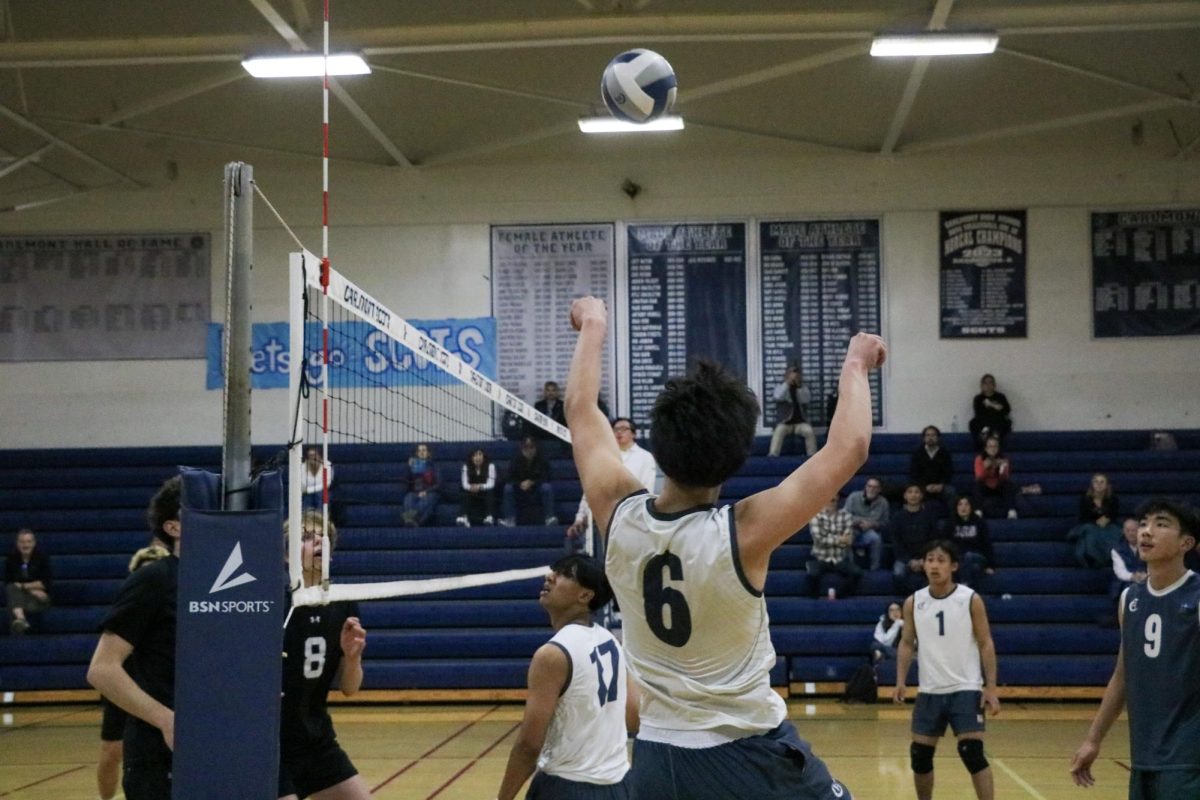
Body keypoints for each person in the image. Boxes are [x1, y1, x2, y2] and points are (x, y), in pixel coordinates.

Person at [564, 294, 883, 800]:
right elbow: (850, 447)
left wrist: (594, 324)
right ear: (735, 459)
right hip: (748, 754)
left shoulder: (616, 513)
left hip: (653, 759)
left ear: (658, 443)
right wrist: (856, 362)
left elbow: (580, 409)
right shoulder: (743, 531)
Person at [1070, 500, 1200, 798]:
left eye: (1161, 524)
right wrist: (1093, 739)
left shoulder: (1196, 597)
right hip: (1143, 755)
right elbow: (1122, 675)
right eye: (1143, 523)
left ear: (1186, 543)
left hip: (1187, 759)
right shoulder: (1130, 599)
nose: (1146, 531)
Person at [496, 555, 636, 800]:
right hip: (619, 785)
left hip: (569, 787)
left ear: (585, 596)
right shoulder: (611, 641)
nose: (550, 576)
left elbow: (529, 745)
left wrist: (503, 797)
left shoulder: (552, 655)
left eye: (564, 575)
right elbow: (633, 715)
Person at [87, 476, 182, 800]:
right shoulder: (154, 580)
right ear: (174, 527)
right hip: (157, 757)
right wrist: (166, 720)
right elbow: (101, 669)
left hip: (215, 747)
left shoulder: (226, 584)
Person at [893, 540, 1001, 800]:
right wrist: (900, 681)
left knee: (971, 752)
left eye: (941, 560)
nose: (934, 565)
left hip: (965, 687)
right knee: (919, 756)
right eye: (930, 559)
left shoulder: (969, 599)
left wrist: (991, 688)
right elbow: (907, 643)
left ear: (953, 566)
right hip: (930, 689)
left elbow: (986, 643)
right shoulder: (913, 602)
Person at [278, 511, 370, 800]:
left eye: (323, 537)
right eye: (306, 538)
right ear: (286, 556)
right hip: (270, 745)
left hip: (315, 742)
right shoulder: (274, 603)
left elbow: (350, 688)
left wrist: (352, 657)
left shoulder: (342, 602)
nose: (319, 541)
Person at [97, 537, 171, 800]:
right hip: (125, 686)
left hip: (155, 690)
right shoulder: (132, 603)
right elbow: (102, 666)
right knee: (110, 751)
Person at [566, 418, 658, 552]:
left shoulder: (645, 457)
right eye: (616, 429)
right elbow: (590, 489)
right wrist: (580, 517)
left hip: (631, 520)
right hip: (601, 517)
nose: (619, 432)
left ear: (633, 434)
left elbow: (646, 489)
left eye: (624, 429)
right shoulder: (602, 457)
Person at [806, 494, 862, 599]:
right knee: (812, 575)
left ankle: (841, 598)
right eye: (829, 500)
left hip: (840, 558)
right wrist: (840, 539)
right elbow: (819, 540)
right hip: (820, 557)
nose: (832, 502)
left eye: (834, 500)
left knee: (857, 573)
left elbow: (848, 540)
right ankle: (814, 601)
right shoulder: (816, 516)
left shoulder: (846, 516)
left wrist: (830, 538)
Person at [888, 484, 939, 596]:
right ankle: (906, 600)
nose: (913, 495)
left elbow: (934, 541)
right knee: (898, 573)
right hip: (904, 557)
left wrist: (923, 559)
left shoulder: (929, 516)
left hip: (925, 557)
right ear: (905, 496)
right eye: (910, 492)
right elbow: (896, 543)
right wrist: (909, 561)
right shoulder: (897, 517)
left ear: (921, 496)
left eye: (916, 492)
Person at [1067, 473, 1122, 568]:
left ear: (1106, 485)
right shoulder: (1085, 499)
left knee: (1115, 531)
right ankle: (1093, 557)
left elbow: (1113, 514)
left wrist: (1107, 518)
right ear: (1092, 484)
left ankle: (1108, 557)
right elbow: (1083, 516)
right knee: (1091, 531)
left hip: (1107, 525)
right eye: (1096, 481)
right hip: (1089, 524)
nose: (1099, 484)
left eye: (1102, 482)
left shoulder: (1113, 499)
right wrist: (1096, 521)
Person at [501, 436, 558, 527]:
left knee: (547, 488)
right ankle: (510, 519)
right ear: (522, 449)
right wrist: (520, 484)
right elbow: (509, 478)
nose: (529, 451)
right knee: (508, 488)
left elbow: (546, 477)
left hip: (536, 490)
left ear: (535, 448)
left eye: (531, 447)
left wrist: (532, 482)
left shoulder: (542, 460)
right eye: (526, 448)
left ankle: (549, 517)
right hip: (520, 490)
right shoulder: (515, 460)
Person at [4, 528, 51, 635]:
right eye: (22, 542)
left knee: (13, 603)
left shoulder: (42, 558)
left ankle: (20, 623)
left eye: (28, 542)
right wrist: (32, 588)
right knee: (12, 591)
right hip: (21, 597)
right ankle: (21, 620)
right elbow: (9, 583)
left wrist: (23, 586)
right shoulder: (11, 559)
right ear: (17, 543)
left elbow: (44, 584)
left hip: (39, 599)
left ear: (34, 543)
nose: (25, 545)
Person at [944, 497, 996, 591]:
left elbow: (987, 544)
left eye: (966, 504)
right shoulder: (950, 524)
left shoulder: (979, 523)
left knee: (969, 556)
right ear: (956, 507)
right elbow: (945, 544)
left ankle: (964, 586)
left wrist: (990, 565)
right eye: (960, 504)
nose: (963, 507)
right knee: (974, 568)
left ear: (971, 507)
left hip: (977, 556)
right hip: (959, 559)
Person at [768, 364, 817, 457]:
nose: (794, 376)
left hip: (800, 423)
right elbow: (778, 396)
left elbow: (806, 399)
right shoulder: (780, 386)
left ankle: (812, 456)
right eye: (792, 373)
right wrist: (787, 383)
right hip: (785, 422)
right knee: (779, 431)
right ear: (786, 375)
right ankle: (772, 456)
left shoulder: (802, 388)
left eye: (796, 374)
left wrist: (798, 385)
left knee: (809, 431)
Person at [843, 477, 888, 570]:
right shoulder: (853, 497)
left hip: (869, 531)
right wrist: (859, 522)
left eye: (875, 487)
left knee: (876, 538)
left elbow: (885, 523)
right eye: (869, 486)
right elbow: (844, 516)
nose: (872, 489)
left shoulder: (883, 503)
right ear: (865, 487)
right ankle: (849, 567)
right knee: (845, 537)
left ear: (879, 489)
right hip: (852, 529)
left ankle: (875, 568)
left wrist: (872, 525)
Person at [909, 426, 956, 512]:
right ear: (923, 438)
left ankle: (952, 521)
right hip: (923, 487)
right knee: (912, 493)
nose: (930, 437)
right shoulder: (917, 453)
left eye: (933, 435)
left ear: (938, 438)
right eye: (928, 435)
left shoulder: (944, 453)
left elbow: (949, 472)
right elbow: (914, 473)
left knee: (951, 492)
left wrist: (941, 485)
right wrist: (924, 486)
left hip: (940, 487)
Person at [971, 436, 1018, 520]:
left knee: (1009, 484)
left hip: (998, 485)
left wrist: (1001, 468)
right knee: (976, 485)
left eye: (995, 446)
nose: (993, 449)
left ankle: (1011, 510)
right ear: (986, 448)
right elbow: (979, 477)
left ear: (998, 448)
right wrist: (986, 468)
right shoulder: (979, 459)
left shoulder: (1004, 459)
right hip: (985, 485)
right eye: (990, 446)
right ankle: (978, 511)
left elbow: (1005, 477)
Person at [968, 374, 1012, 450]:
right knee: (973, 423)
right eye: (986, 383)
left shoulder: (1000, 397)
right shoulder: (978, 398)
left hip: (998, 421)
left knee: (1004, 422)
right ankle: (985, 439)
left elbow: (1006, 410)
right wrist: (997, 407)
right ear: (982, 385)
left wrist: (991, 405)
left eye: (990, 383)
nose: (988, 385)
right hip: (983, 423)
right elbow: (978, 412)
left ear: (994, 385)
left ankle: (994, 435)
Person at [401, 443, 441, 527]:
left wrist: (426, 491)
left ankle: (411, 520)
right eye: (419, 451)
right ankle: (414, 521)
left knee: (426, 501)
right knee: (408, 498)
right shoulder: (413, 466)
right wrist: (409, 467)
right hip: (415, 492)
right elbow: (406, 481)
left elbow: (439, 483)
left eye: (424, 450)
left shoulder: (434, 466)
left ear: (428, 453)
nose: (421, 452)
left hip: (430, 492)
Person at [456, 447, 497, 527]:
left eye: (480, 455)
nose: (478, 457)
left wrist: (479, 486)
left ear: (484, 456)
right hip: (471, 493)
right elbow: (465, 484)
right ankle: (463, 517)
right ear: (471, 458)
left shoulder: (490, 466)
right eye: (475, 455)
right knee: (463, 491)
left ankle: (489, 517)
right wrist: (471, 487)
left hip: (484, 493)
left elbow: (491, 483)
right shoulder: (466, 467)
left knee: (490, 491)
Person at [1110, 517, 1147, 601]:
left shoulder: (1148, 546)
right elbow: (1120, 572)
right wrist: (1133, 577)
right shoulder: (1117, 549)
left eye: (1133, 530)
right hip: (1126, 582)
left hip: (1147, 579)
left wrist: (1146, 576)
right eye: (1128, 531)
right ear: (1123, 532)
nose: (1131, 534)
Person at [301, 447, 333, 511]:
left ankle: (321, 516)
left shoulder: (327, 465)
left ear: (320, 456)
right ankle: (305, 516)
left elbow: (327, 484)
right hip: (306, 494)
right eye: (310, 456)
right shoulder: (302, 467)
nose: (313, 458)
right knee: (309, 497)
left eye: (315, 455)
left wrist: (309, 490)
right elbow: (303, 485)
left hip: (322, 493)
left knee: (319, 495)